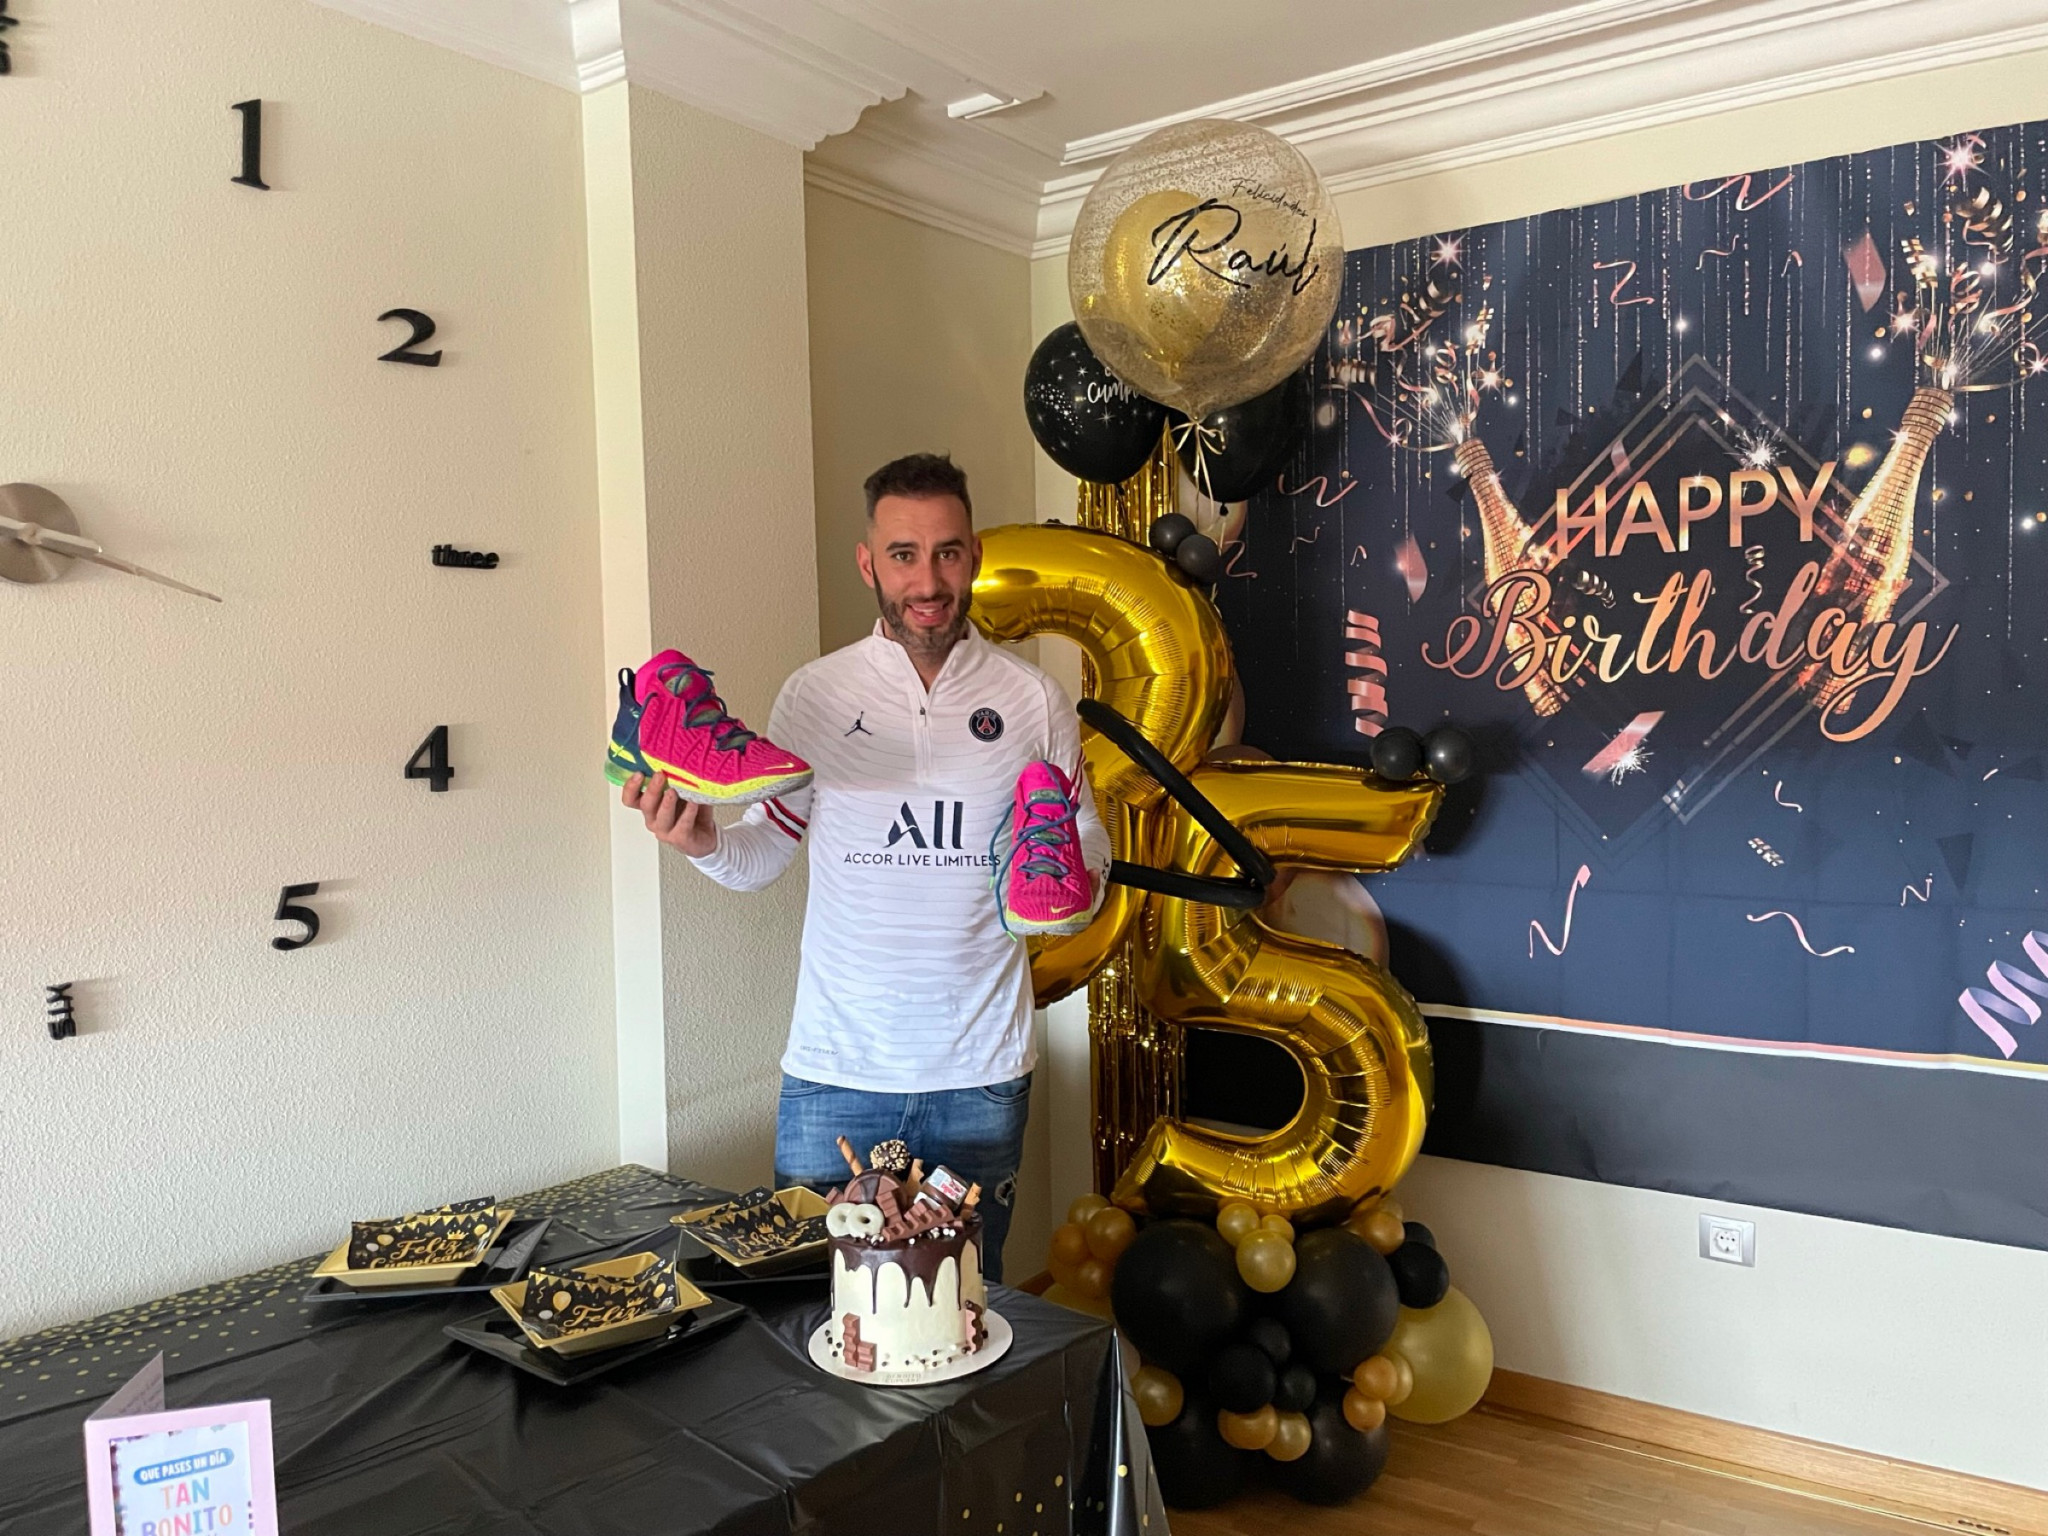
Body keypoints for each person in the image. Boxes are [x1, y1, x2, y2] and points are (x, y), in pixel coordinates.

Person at [620, 453, 1109, 1279]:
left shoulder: (1033, 701)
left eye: (947, 552)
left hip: (981, 1073)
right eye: (903, 554)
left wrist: (1071, 878)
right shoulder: (814, 694)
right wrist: (702, 844)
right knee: (815, 1313)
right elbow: (764, 853)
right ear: (868, 563)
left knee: (962, 1310)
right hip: (834, 1075)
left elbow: (1085, 835)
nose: (929, 581)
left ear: (975, 555)